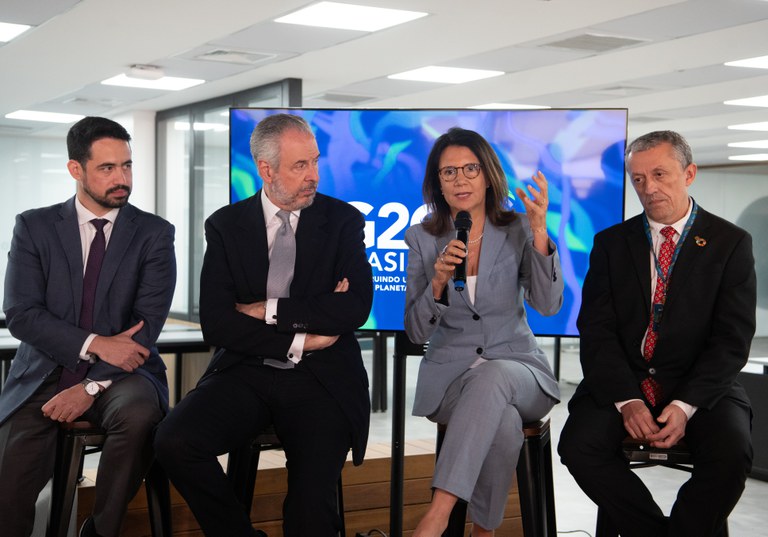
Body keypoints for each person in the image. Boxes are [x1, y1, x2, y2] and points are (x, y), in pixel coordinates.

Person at [154, 113, 373, 537]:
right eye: (300, 166)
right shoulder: (225, 226)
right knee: (174, 442)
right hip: (246, 373)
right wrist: (303, 339)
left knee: (310, 506)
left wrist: (268, 310)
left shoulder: (342, 221)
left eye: (314, 161)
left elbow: (353, 310)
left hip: (322, 382)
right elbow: (217, 324)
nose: (314, 175)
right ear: (266, 169)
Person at [558, 130, 756, 537]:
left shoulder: (729, 243)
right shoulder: (611, 243)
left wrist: (685, 406)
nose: (649, 188)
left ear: (689, 174)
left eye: (661, 175)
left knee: (732, 453)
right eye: (639, 179)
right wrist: (627, 399)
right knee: (578, 446)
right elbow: (596, 330)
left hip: (699, 385)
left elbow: (732, 339)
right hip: (624, 380)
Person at [0, 116, 177, 537]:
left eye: (127, 166)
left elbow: (144, 329)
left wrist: (91, 386)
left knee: (139, 416)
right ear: (75, 170)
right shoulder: (35, 226)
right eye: (107, 168)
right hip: (44, 371)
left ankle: (99, 530)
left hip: (123, 376)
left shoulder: (154, 234)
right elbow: (21, 313)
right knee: (8, 484)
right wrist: (96, 342)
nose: (122, 179)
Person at [404, 127, 563, 537]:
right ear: (437, 183)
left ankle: (437, 516)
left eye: (470, 168)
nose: (460, 179)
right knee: (504, 423)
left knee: (494, 375)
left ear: (488, 174)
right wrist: (437, 282)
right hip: (451, 380)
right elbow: (414, 330)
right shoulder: (422, 238)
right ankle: (484, 532)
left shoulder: (518, 228)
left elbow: (547, 306)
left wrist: (541, 231)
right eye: (449, 172)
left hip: (519, 370)